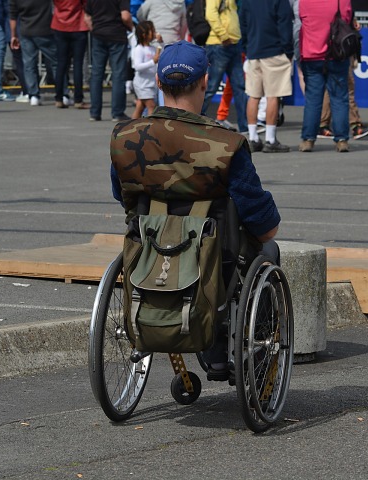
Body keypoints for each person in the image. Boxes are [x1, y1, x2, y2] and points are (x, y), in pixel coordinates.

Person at [110, 41, 280, 379]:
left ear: (158, 83)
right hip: (212, 258)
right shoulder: (226, 144)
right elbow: (264, 225)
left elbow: (123, 196)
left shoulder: (124, 137)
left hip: (146, 250)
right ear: (205, 82)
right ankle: (239, 361)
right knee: (269, 249)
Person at [299, 0, 353, 152]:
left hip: (311, 54)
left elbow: (302, 18)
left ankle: (308, 139)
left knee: (313, 100)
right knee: (339, 99)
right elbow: (346, 18)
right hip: (336, 54)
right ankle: (341, 139)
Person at [240, 0, 293, 153]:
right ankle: (270, 139)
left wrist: (246, 47)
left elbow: (242, 23)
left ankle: (253, 137)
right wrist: (288, 51)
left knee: (253, 95)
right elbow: (285, 24)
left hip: (253, 51)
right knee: (273, 96)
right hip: (274, 51)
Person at [200, 0, 248, 134]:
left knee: (239, 87)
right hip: (220, 44)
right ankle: (194, 122)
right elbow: (210, 14)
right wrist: (223, 35)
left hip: (232, 44)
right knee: (210, 88)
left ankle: (244, 127)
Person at [85, 0, 134, 121]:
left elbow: (86, 17)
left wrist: (94, 29)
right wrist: (132, 27)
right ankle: (117, 112)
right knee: (118, 74)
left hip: (98, 34)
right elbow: (125, 16)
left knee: (96, 74)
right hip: (116, 33)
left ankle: (95, 112)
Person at [9, 0, 57, 106]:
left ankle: (33, 94)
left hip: (26, 30)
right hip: (45, 29)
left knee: (29, 64)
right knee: (55, 62)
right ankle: (62, 92)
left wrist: (13, 35)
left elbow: (13, 15)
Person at [52, 0, 89, 109]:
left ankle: (58, 98)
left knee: (61, 63)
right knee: (78, 64)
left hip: (60, 24)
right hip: (78, 25)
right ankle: (78, 99)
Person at [131, 20, 160, 118]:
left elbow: (162, 54)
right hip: (142, 84)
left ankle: (130, 128)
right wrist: (153, 62)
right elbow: (137, 66)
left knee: (140, 106)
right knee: (151, 106)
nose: (155, 33)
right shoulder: (139, 49)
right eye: (153, 31)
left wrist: (161, 42)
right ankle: (151, 129)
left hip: (150, 83)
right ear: (144, 34)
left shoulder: (152, 48)